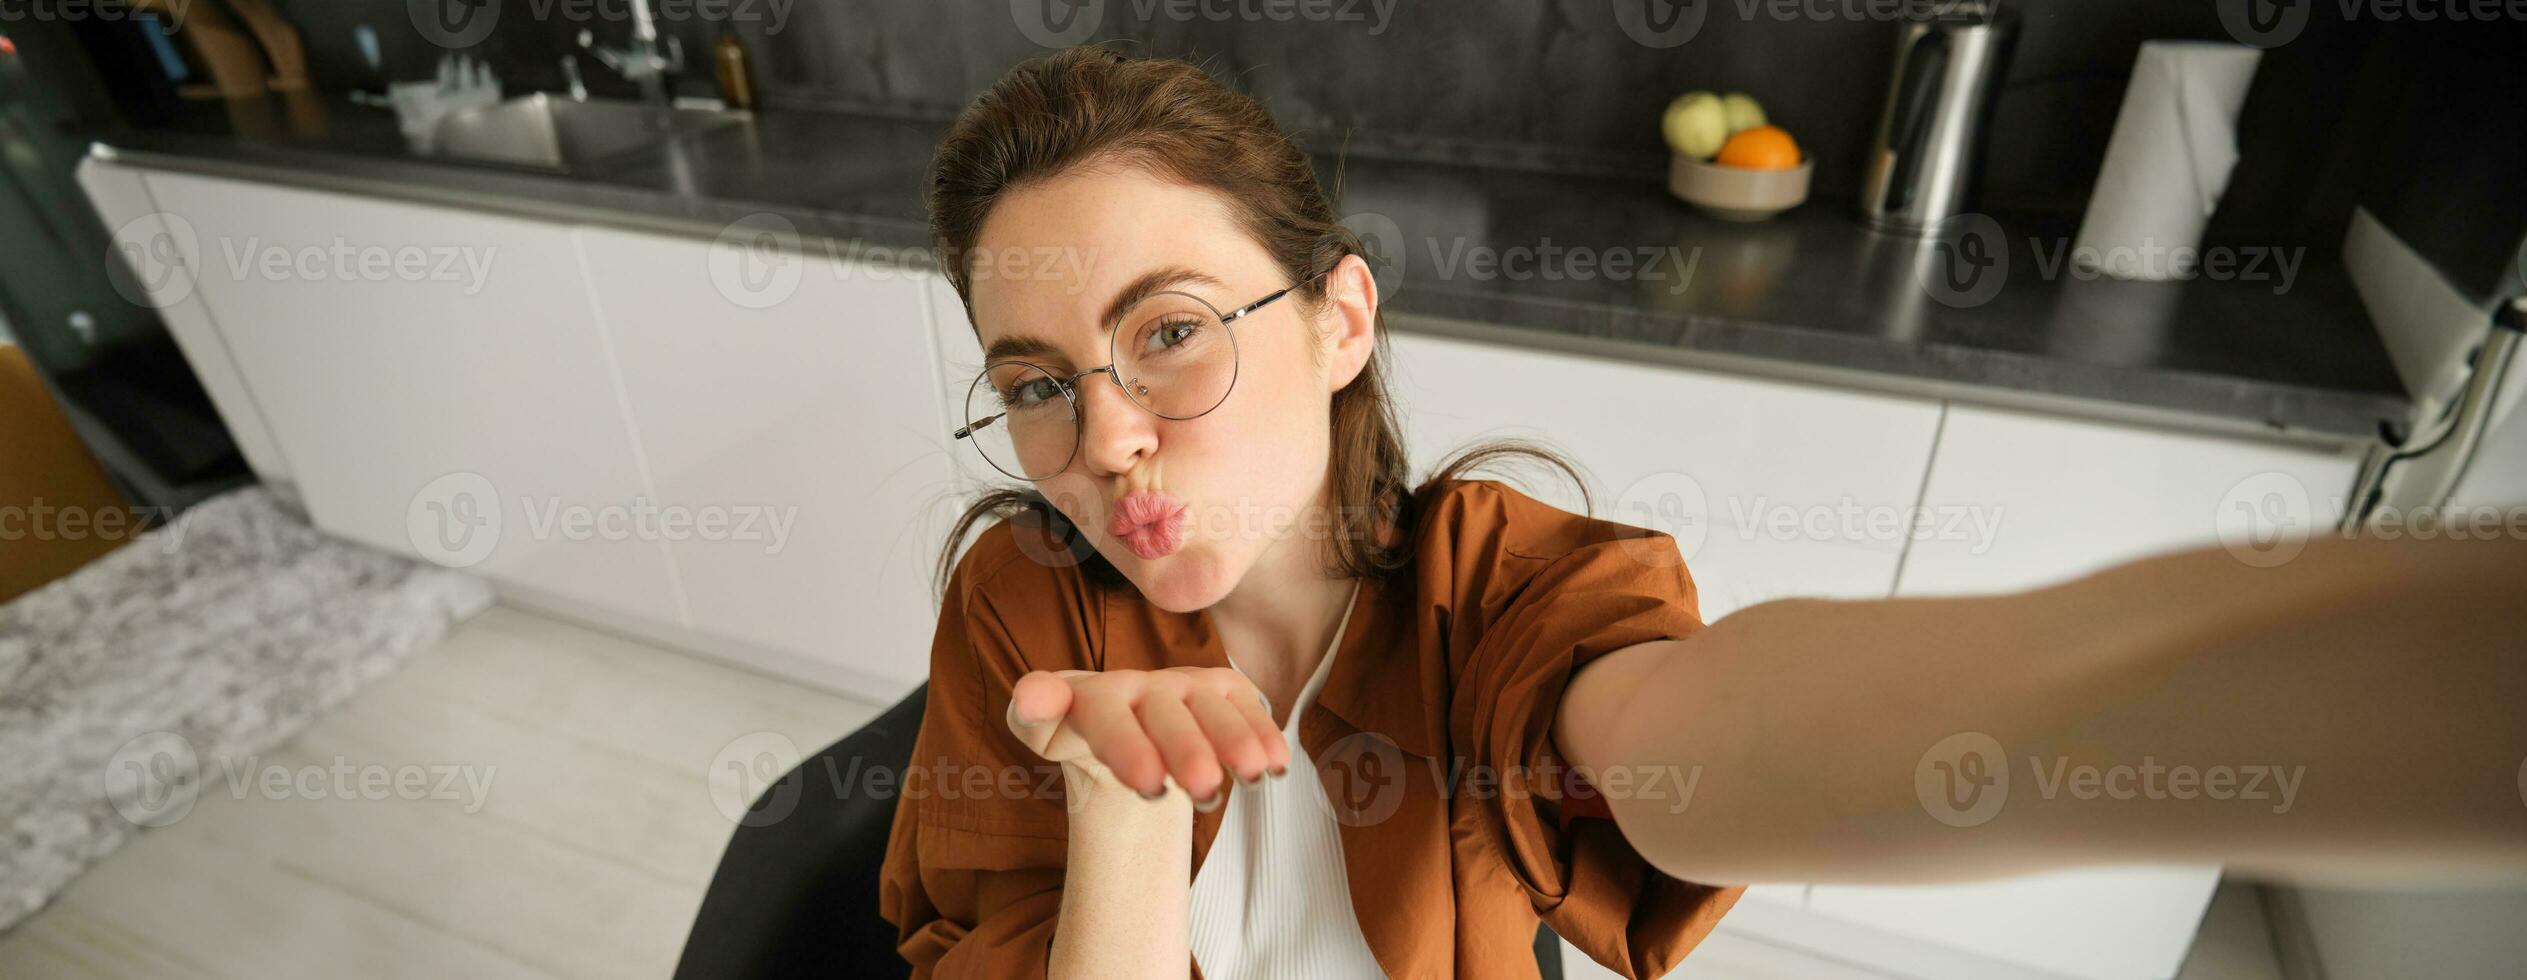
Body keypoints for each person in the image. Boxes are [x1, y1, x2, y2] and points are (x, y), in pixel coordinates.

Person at [876, 46, 2527, 980]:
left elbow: (1706, 734)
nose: (1104, 444)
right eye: (1035, 382)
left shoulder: (1509, 595)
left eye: (1170, 334)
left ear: (1340, 319)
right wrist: (1122, 815)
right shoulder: (1027, 616)